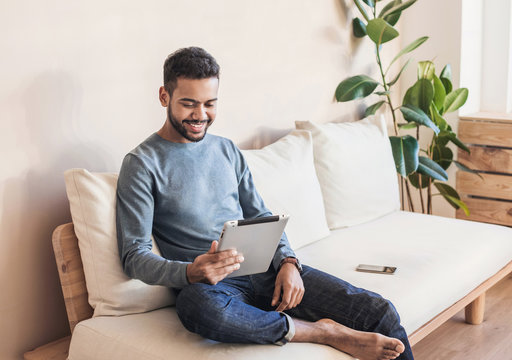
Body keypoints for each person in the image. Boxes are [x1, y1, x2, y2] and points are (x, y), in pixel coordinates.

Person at [116, 47, 414, 360]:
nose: (201, 115)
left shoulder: (227, 150)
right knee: (199, 311)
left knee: (380, 312)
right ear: (165, 97)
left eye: (209, 104)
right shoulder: (142, 163)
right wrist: (191, 272)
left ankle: (300, 314)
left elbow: (260, 215)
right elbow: (133, 255)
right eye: (188, 104)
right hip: (211, 288)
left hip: (265, 271)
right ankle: (324, 332)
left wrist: (288, 262)